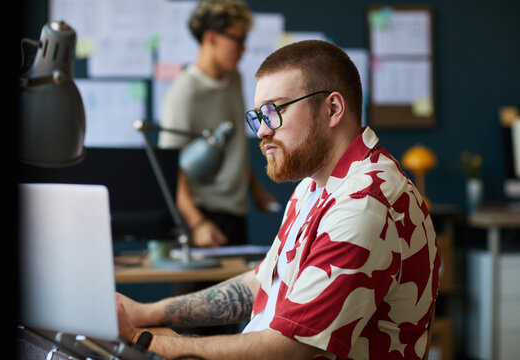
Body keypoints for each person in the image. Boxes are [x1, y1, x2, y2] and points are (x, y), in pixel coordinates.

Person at [118, 40, 441, 359]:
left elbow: (286, 350)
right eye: (259, 115)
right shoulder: (315, 186)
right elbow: (265, 282)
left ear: (332, 109)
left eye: (274, 111)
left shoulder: (364, 204)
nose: (261, 131)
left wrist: (141, 339)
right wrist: (148, 313)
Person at [157, 0, 277, 336]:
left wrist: (254, 188)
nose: (243, 49)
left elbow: (238, 142)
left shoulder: (234, 78)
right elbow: (172, 170)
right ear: (211, 37)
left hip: (233, 212)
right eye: (237, 39)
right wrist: (197, 224)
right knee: (197, 326)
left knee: (233, 323)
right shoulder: (185, 91)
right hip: (201, 218)